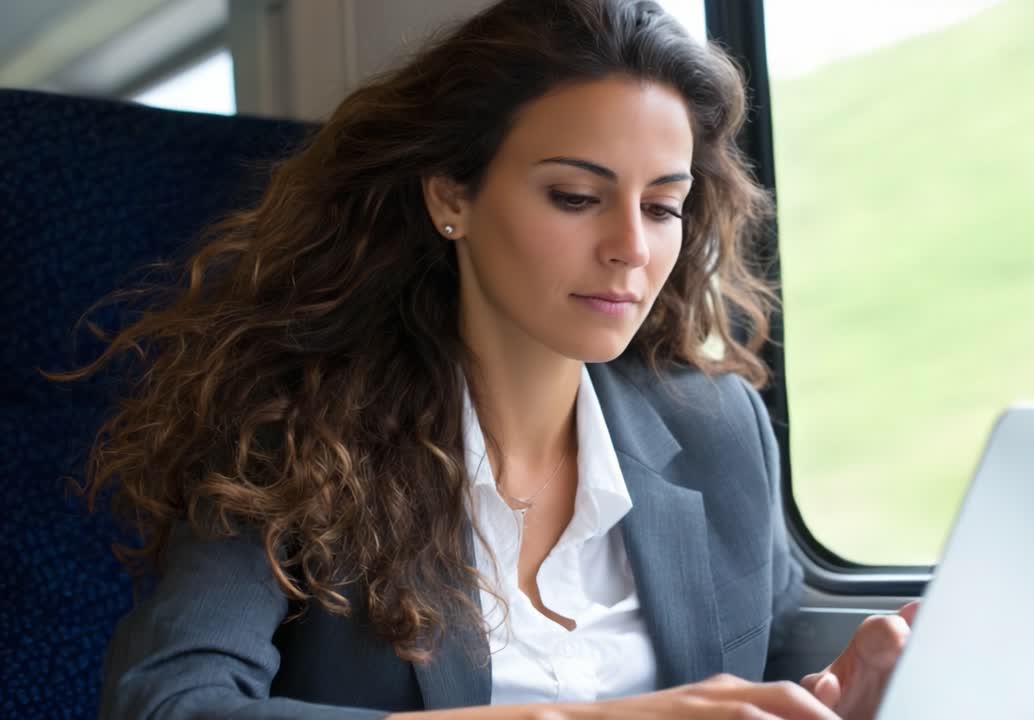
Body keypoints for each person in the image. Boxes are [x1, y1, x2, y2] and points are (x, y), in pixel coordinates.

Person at [49, 1, 915, 718]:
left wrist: (864, 683)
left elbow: (768, 645)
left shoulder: (717, 428)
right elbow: (170, 704)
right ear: (450, 196)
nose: (629, 249)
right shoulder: (294, 434)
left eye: (662, 207)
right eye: (576, 197)